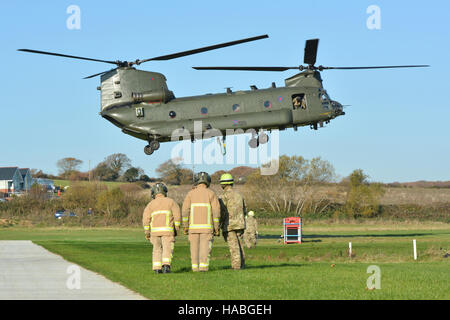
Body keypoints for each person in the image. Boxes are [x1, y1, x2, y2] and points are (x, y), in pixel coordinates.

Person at [182, 172, 220, 272]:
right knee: (205, 249)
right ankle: (203, 268)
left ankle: (195, 269)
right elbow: (216, 212)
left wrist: (185, 226)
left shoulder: (190, 194)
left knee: (194, 249)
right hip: (207, 228)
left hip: (193, 228)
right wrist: (216, 228)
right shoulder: (211, 194)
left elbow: (185, 211)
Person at [142, 183, 181, 274]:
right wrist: (177, 228)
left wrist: (147, 232)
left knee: (156, 250)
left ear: (153, 193)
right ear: (165, 192)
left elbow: (146, 219)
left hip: (154, 233)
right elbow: (177, 216)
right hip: (168, 231)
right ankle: (166, 266)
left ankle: (157, 268)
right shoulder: (171, 202)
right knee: (167, 248)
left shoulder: (150, 204)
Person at [219, 173, 246, 270]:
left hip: (229, 225)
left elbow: (221, 212)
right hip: (240, 223)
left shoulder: (223, 197)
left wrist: (219, 225)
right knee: (240, 245)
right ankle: (242, 265)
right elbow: (244, 210)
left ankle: (236, 267)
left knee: (234, 247)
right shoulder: (239, 195)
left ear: (223, 184)